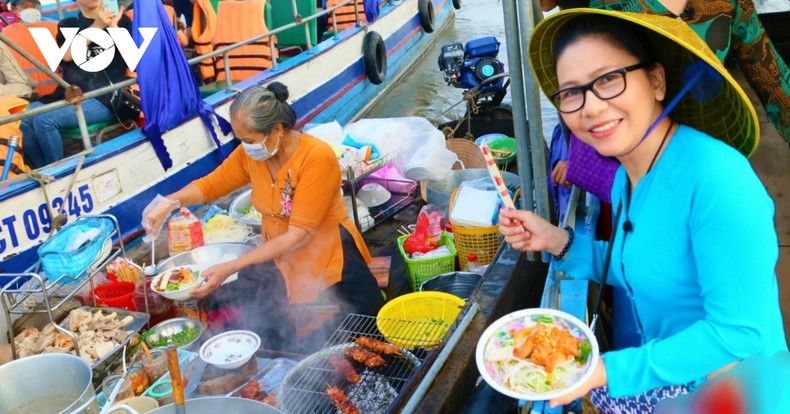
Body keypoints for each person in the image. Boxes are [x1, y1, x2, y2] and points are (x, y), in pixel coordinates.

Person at [500, 9, 787, 412]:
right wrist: (557, 240)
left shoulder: (718, 180)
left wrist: (606, 371)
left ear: (656, 81)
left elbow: (740, 332)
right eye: (571, 92)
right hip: (676, 380)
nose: (592, 107)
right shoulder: (626, 179)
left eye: (608, 80)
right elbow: (642, 266)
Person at [142, 82, 384, 352]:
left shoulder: (317, 157)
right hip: (280, 256)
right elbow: (211, 184)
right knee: (247, 311)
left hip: (329, 255)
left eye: (248, 140)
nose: (244, 147)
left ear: (277, 130)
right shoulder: (252, 155)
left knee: (360, 335)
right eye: (240, 140)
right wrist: (168, 202)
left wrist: (231, 267)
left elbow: (298, 236)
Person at [19, 0, 133, 167]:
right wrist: (97, 26)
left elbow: (132, 58)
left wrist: (114, 27)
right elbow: (67, 55)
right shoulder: (68, 24)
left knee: (44, 120)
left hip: (105, 96)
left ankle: (57, 171)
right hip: (72, 92)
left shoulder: (121, 21)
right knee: (23, 119)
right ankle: (41, 170)